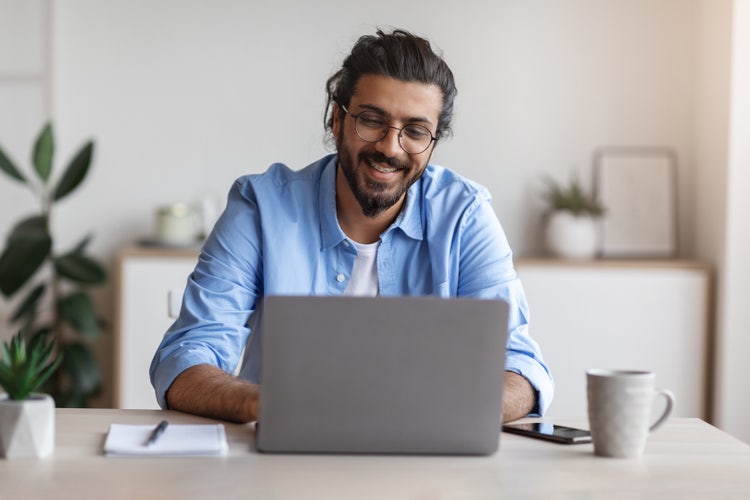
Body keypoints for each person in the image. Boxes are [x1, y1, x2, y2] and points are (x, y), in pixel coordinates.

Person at [150, 28, 553, 424]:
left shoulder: (466, 215)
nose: (390, 148)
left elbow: (520, 365)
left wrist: (445, 414)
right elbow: (186, 357)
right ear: (336, 120)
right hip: (284, 465)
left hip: (429, 468)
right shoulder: (261, 207)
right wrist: (269, 403)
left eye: (415, 131)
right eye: (372, 120)